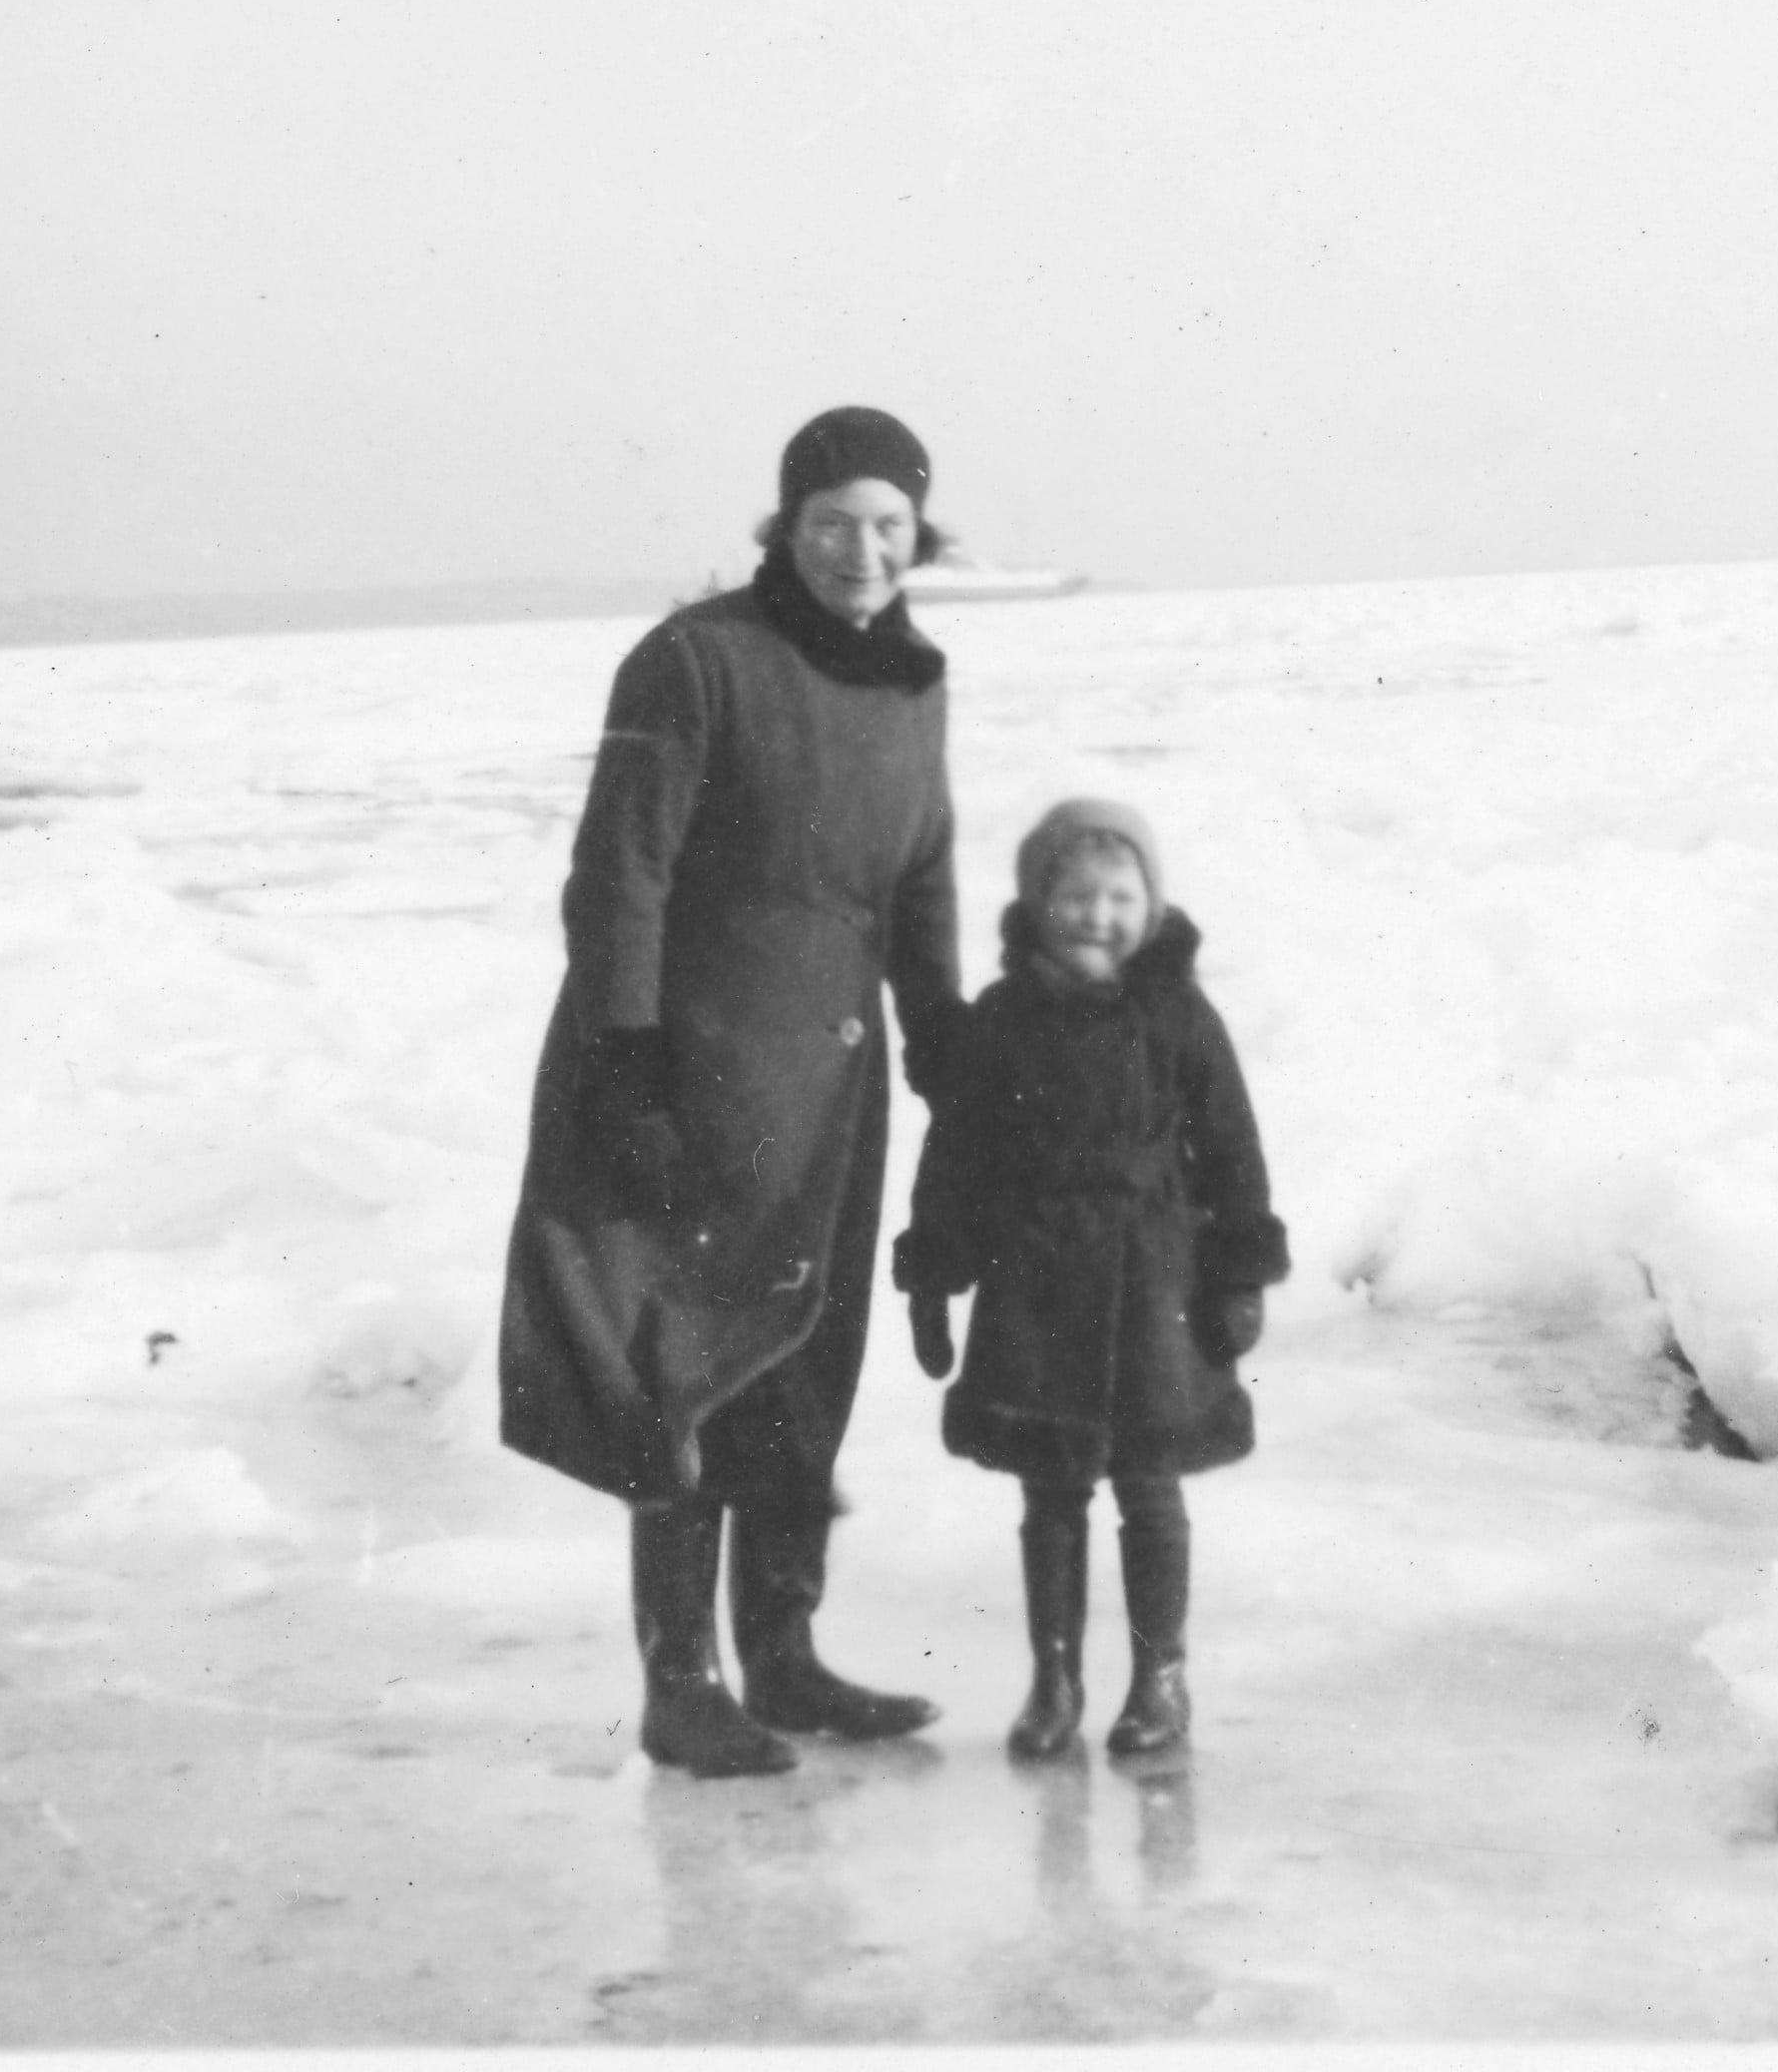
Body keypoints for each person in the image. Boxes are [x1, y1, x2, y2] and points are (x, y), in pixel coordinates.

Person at [497, 407, 965, 1780]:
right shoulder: (695, 662)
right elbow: (617, 878)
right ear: (786, 526)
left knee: (804, 1354)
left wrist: (941, 1042)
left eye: (887, 525)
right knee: (682, 1368)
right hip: (689, 1072)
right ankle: (681, 1682)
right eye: (832, 522)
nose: (860, 551)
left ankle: (787, 1653)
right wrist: (626, 1064)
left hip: (832, 1084)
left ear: (918, 534)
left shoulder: (914, 683)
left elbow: (924, 879)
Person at [891, 797, 1289, 1763]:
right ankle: (1054, 1680)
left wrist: (1239, 1272)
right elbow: (957, 1154)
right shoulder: (999, 1021)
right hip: (1034, 1288)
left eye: (1119, 895)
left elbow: (1233, 1148)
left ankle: (1161, 1681)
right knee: (1052, 1495)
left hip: (1158, 1286)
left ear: (1149, 906)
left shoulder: (1181, 1017)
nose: (1095, 915)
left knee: (1151, 1491)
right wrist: (935, 1275)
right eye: (1074, 894)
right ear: (1038, 900)